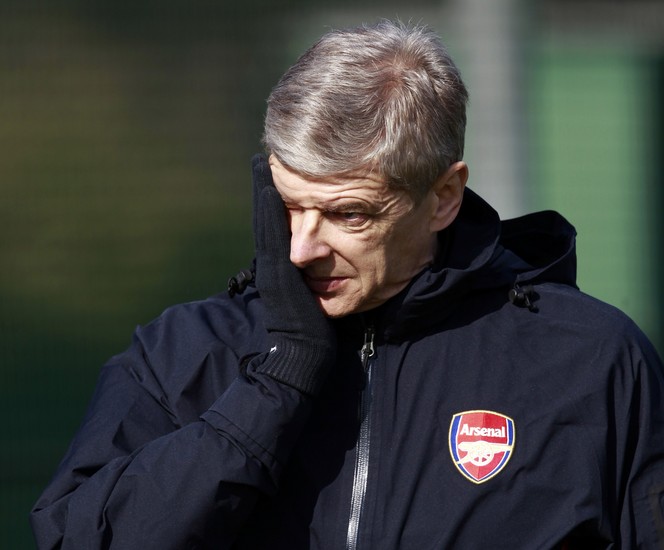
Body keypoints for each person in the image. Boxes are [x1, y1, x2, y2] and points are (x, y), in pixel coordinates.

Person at [30, 20, 664, 549]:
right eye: (287, 205)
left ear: (443, 196)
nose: (301, 249)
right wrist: (279, 380)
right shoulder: (183, 352)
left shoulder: (589, 361)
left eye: (348, 214)